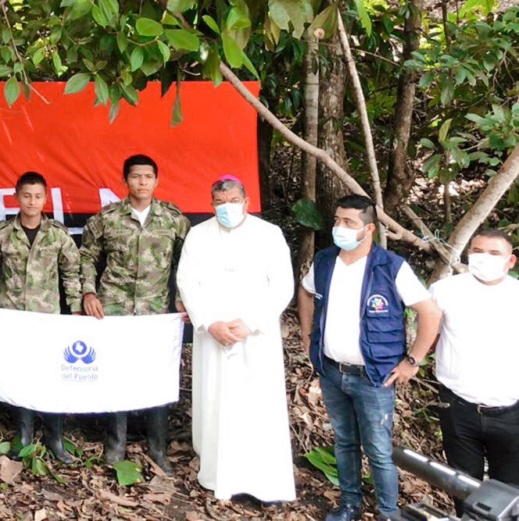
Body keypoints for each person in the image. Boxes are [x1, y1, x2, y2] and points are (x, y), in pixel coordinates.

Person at [297, 194, 441, 521]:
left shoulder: (390, 267)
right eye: (336, 220)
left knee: (378, 451)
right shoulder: (324, 261)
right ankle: (350, 504)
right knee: (345, 442)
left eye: (349, 222)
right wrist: (307, 337)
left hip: (374, 376)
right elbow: (305, 292)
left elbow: (429, 312)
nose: (340, 227)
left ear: (369, 228)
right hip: (332, 371)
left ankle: (387, 512)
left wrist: (413, 361)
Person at [176, 175, 295, 501]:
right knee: (215, 402)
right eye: (219, 202)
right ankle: (217, 477)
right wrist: (210, 322)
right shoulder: (198, 236)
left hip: (256, 338)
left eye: (232, 201)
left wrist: (252, 323)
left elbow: (283, 285)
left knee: (258, 406)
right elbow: (186, 281)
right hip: (213, 336)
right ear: (211, 204)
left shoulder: (270, 235)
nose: (226, 207)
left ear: (245, 201)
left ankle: (264, 484)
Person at [80, 154, 189, 474]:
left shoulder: (173, 219)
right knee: (117, 375)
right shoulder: (108, 217)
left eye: (147, 177)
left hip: (156, 311)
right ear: (124, 180)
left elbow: (190, 261)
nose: (141, 182)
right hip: (114, 308)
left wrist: (182, 298)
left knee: (157, 378)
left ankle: (158, 448)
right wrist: (89, 291)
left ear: (157, 181)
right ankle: (116, 445)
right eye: (135, 176)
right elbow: (86, 256)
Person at [0, 172, 81, 464]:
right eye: (26, 195)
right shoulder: (2, 233)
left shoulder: (57, 234)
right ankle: (23, 434)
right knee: (19, 374)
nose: (32, 202)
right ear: (16, 196)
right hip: (12, 316)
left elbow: (71, 272)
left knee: (51, 376)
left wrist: (76, 307)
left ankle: (54, 436)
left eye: (38, 196)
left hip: (46, 317)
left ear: (46, 198)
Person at [429, 228, 519, 515]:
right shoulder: (445, 290)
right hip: (458, 407)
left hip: (510, 411)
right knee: (463, 485)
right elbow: (430, 338)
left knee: (509, 491)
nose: (484, 258)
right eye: (477, 251)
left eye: (494, 253)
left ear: (511, 261)